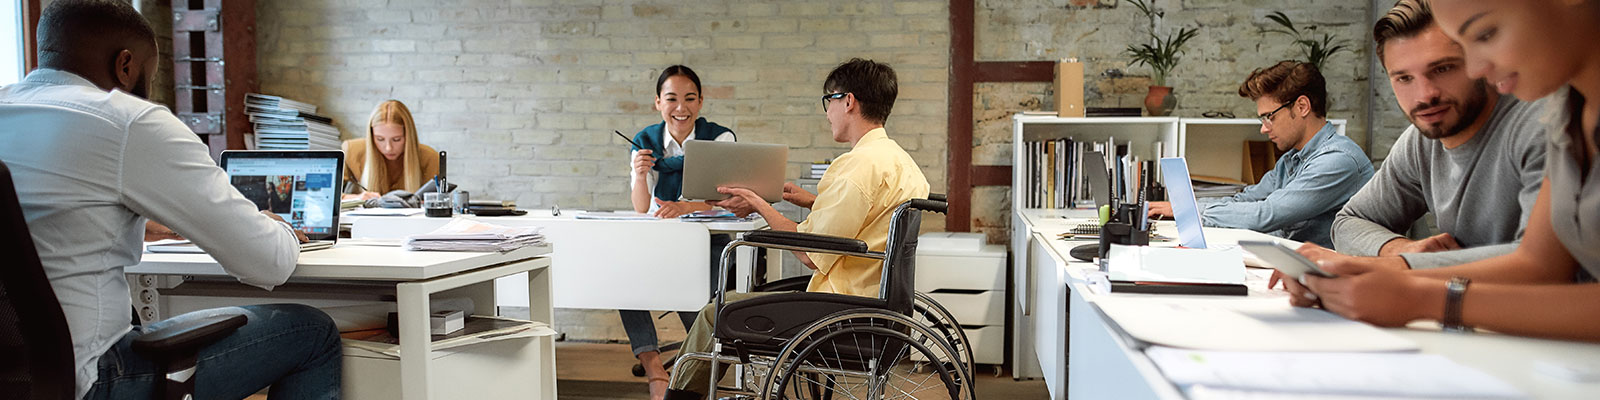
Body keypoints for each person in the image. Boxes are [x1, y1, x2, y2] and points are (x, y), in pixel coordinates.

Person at [0, 1, 341, 398]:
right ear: (125, 65)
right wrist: (278, 227)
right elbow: (268, 263)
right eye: (151, 76)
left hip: (16, 381)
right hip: (92, 383)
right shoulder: (129, 120)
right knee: (311, 332)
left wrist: (140, 222)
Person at [1292, 0, 1600, 342]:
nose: (1479, 67)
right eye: (1404, 78)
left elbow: (1543, 272)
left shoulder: (1536, 117)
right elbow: (1538, 262)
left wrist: (1416, 292)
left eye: (1486, 33)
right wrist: (1383, 264)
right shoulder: (1567, 110)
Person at [658, 58, 930, 400]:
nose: (827, 113)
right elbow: (871, 220)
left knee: (716, 312)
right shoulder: (898, 161)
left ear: (848, 102)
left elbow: (810, 255)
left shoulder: (855, 167)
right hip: (880, 301)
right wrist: (812, 201)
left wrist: (759, 204)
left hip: (840, 307)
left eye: (828, 101)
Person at [1330, 0, 1548, 270]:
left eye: (1443, 69)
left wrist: (1405, 266)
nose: (1425, 95)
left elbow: (1545, 262)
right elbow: (1349, 222)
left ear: (1480, 61)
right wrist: (1399, 248)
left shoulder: (1539, 124)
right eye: (1404, 78)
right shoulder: (1419, 142)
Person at [1147, 61, 1374, 247]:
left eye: (1270, 116)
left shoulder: (1338, 160)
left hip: (1332, 279)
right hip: (1292, 266)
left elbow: (1267, 214)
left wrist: (1188, 211)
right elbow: (1246, 198)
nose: (1264, 128)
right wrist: (1184, 208)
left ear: (1302, 106)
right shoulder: (1291, 160)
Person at [620, 65, 737, 399]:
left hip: (708, 241)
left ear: (700, 102)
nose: (680, 108)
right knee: (623, 279)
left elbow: (728, 199)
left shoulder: (720, 138)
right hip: (662, 241)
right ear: (658, 102)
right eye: (671, 99)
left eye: (689, 98)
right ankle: (655, 368)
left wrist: (689, 206)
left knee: (698, 299)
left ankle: (692, 369)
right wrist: (640, 174)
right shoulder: (644, 141)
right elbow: (642, 207)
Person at [342, 99, 439, 199]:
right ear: (371, 136)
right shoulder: (351, 151)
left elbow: (436, 201)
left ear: (408, 136)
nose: (388, 148)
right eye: (380, 139)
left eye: (396, 139)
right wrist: (357, 198)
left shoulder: (430, 158)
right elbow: (327, 195)